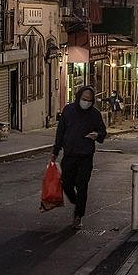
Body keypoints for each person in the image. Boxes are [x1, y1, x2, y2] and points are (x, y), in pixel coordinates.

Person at [51, 85, 107, 229]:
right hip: (69, 154)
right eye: (84, 99)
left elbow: (102, 131)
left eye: (89, 100)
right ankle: (77, 202)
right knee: (66, 183)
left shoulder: (94, 114)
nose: (86, 102)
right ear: (78, 97)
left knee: (82, 186)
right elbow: (60, 131)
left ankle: (78, 216)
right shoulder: (68, 111)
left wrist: (97, 135)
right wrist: (55, 152)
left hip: (85, 156)